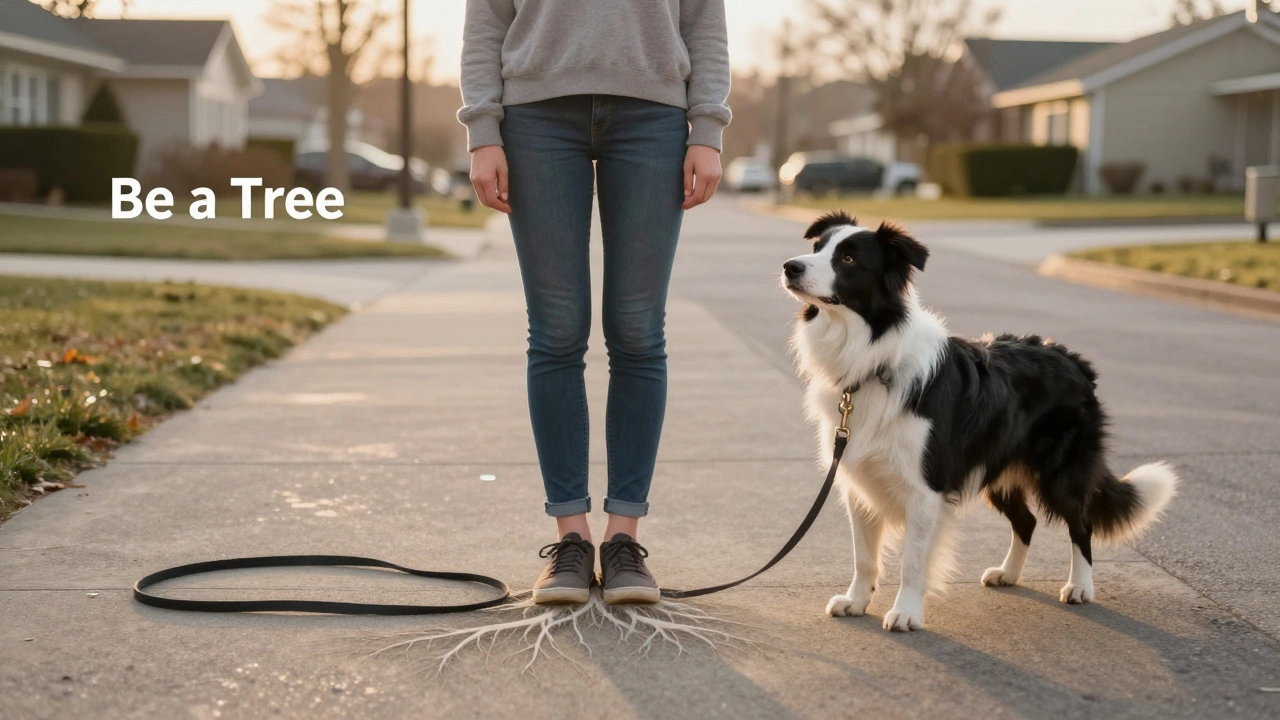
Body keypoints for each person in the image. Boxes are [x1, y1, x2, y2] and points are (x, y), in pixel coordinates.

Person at [458, 0, 731, 605]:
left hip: (654, 117)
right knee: (556, 332)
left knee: (637, 330)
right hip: (534, 118)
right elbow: (486, 21)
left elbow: (703, 21)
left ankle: (623, 540)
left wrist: (707, 128)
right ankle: (572, 541)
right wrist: (483, 130)